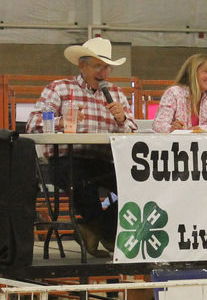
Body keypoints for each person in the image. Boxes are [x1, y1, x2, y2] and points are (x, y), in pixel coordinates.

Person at [26, 37, 137, 257]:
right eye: (98, 66)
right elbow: (32, 124)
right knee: (81, 181)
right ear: (82, 65)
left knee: (134, 184)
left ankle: (95, 229)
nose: (103, 73)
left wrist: (123, 119)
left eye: (107, 68)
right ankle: (103, 231)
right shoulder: (59, 88)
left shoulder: (116, 94)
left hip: (105, 160)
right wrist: (60, 120)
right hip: (67, 158)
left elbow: (133, 130)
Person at [152, 53, 207, 133]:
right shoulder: (174, 93)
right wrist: (171, 128)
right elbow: (158, 125)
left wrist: (198, 129)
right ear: (193, 72)